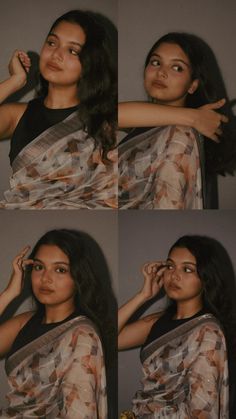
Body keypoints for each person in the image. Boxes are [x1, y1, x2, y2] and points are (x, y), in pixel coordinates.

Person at [0, 10, 117, 209]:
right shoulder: (18, 115)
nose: (56, 55)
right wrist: (14, 81)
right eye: (52, 43)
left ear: (91, 63)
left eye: (73, 51)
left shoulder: (104, 121)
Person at [0, 229, 115, 418]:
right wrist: (9, 293)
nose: (45, 278)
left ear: (79, 277)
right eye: (39, 267)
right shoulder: (25, 321)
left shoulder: (83, 336)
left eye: (60, 269)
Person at [119, 235, 236, 418]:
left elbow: (202, 411)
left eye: (187, 269)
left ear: (206, 277)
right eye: (170, 266)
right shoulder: (158, 320)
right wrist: (142, 295)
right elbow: (107, 338)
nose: (174, 275)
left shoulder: (208, 333)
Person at [118, 32, 235, 209]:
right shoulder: (144, 124)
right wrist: (194, 117)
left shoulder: (180, 136)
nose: (161, 72)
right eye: (156, 62)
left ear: (193, 85)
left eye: (177, 68)